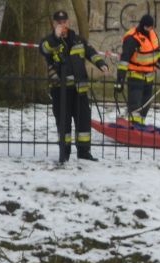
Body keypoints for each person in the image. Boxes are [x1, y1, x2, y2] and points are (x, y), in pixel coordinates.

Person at [39, 10, 108, 163]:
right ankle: (64, 153)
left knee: (83, 122)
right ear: (55, 24)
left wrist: (101, 64)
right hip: (60, 90)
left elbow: (91, 53)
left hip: (80, 89)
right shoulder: (49, 41)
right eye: (59, 22)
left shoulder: (78, 40)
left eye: (64, 22)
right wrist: (55, 37)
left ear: (68, 23)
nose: (62, 25)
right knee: (63, 122)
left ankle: (84, 152)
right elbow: (44, 49)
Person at [116, 14, 160, 124]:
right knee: (135, 106)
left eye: (151, 27)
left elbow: (158, 55)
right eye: (148, 27)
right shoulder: (132, 38)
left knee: (145, 105)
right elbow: (124, 60)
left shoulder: (152, 35)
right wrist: (120, 79)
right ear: (143, 26)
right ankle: (133, 128)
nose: (150, 29)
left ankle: (140, 126)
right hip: (136, 77)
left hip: (149, 78)